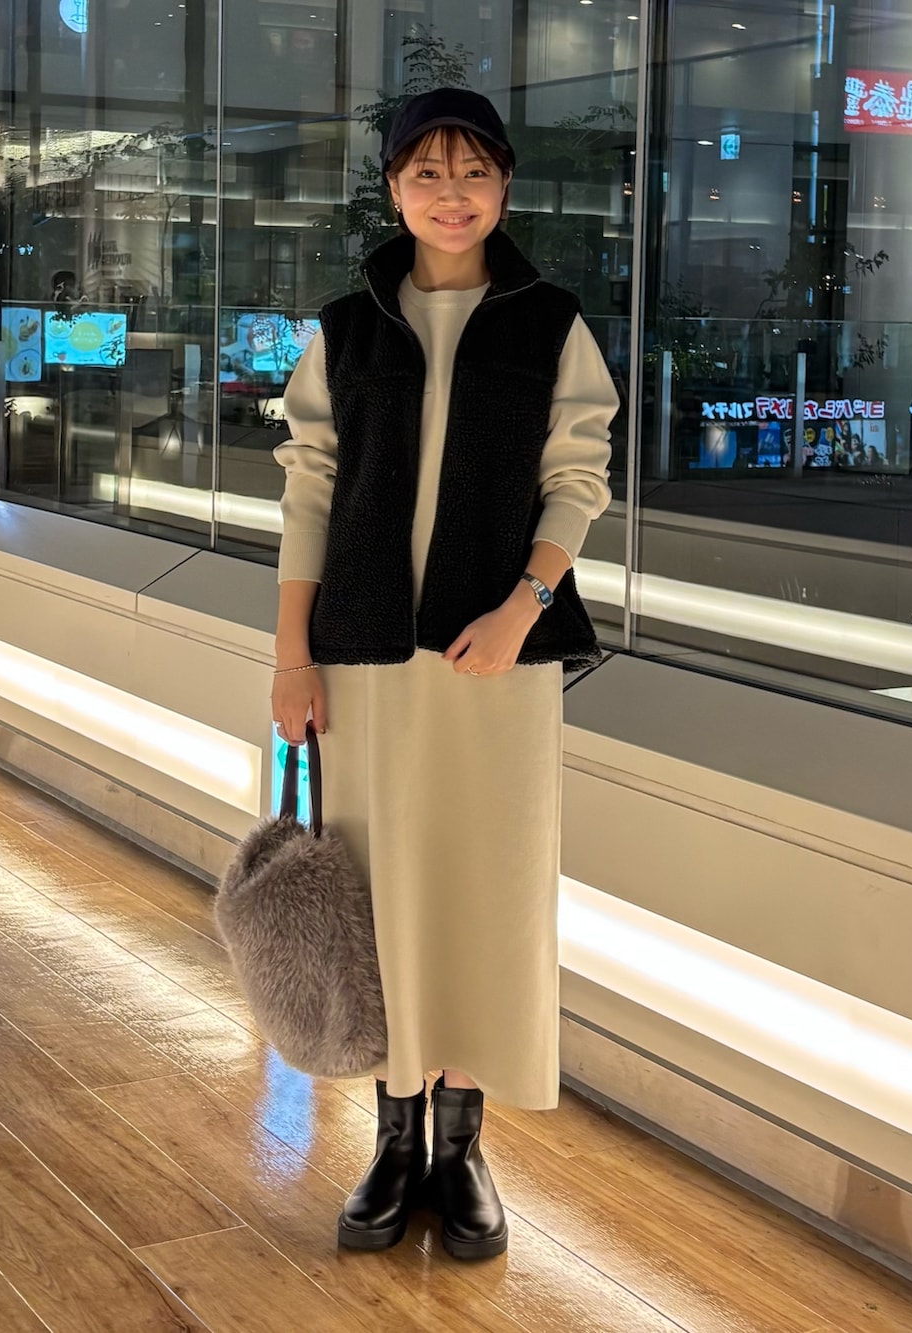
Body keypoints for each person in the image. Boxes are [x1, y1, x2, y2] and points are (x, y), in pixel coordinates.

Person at [271, 88, 616, 1261]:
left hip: (495, 664)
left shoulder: (549, 323)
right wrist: (290, 656)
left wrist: (523, 608)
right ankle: (392, 1137)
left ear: (505, 185)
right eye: (426, 172)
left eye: (472, 172)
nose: (450, 194)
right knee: (378, 893)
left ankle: (462, 1148)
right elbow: (308, 490)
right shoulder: (346, 327)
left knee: (485, 892)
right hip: (363, 659)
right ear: (393, 188)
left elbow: (578, 477)